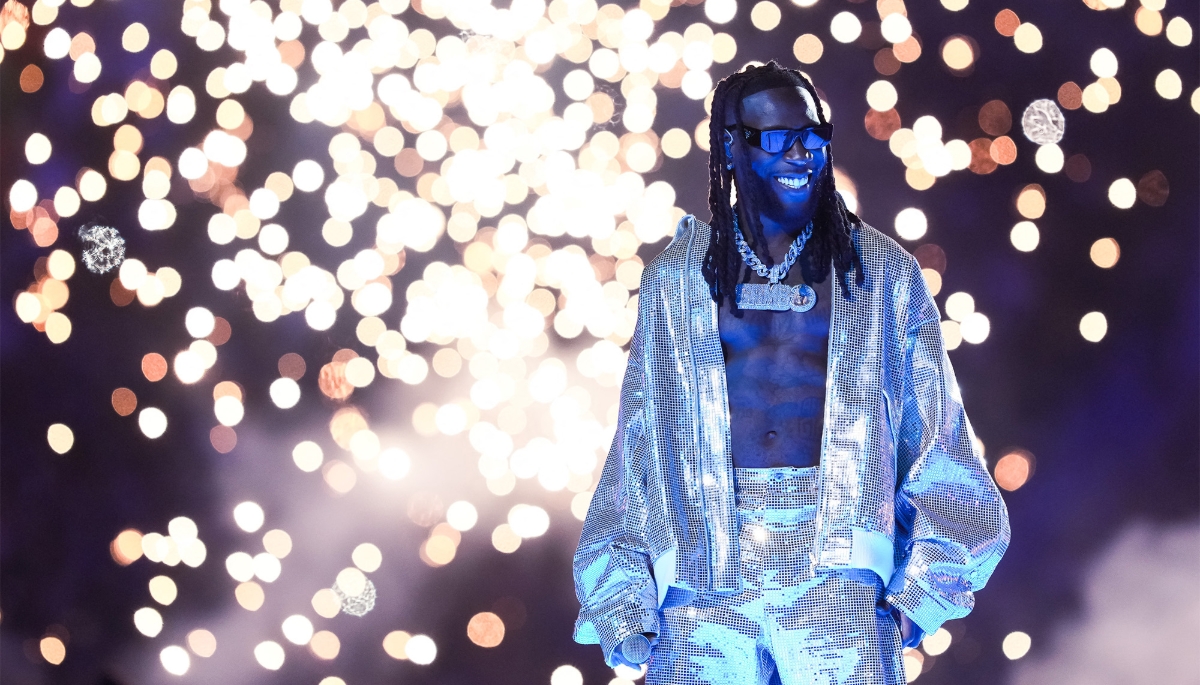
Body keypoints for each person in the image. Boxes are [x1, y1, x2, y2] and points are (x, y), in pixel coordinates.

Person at [572, 61, 1010, 685]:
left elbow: (937, 432)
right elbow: (641, 441)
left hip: (839, 570)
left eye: (815, 133)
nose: (802, 150)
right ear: (731, 145)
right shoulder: (677, 279)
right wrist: (622, 595)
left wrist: (923, 593)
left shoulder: (879, 272)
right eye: (778, 136)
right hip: (704, 576)